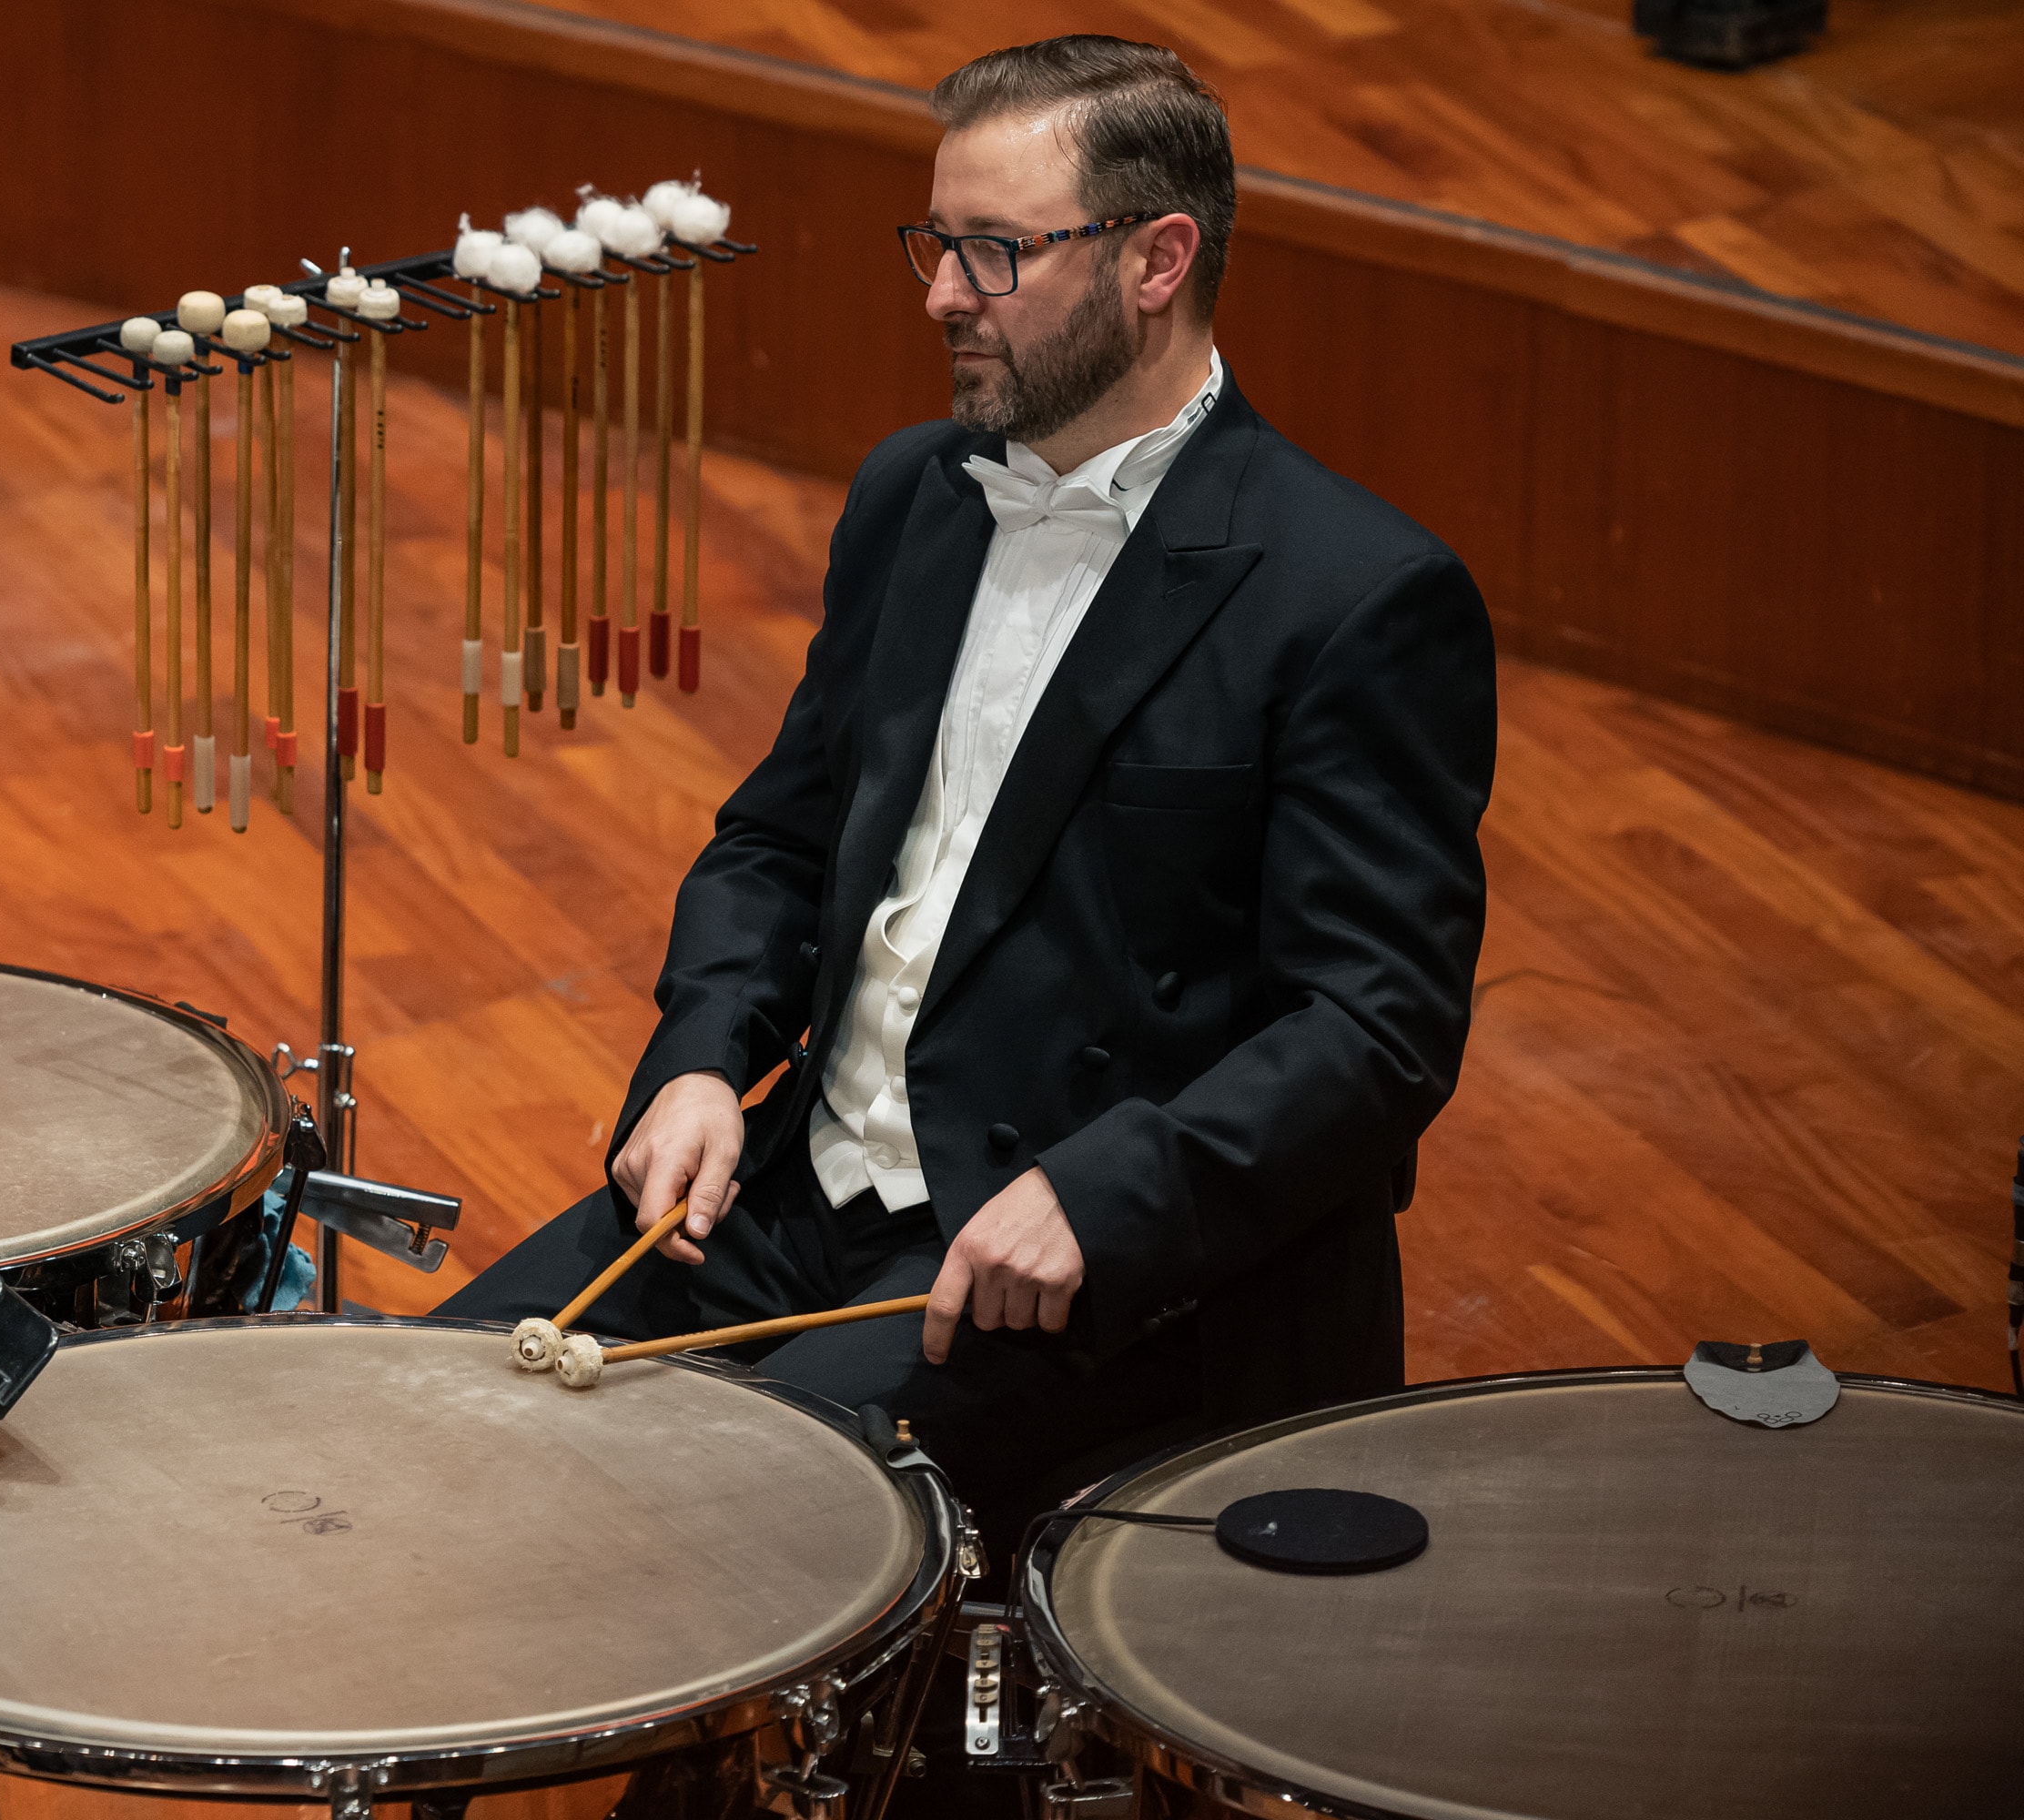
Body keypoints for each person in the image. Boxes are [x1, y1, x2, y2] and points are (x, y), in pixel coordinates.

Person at [442, 35, 1496, 1555]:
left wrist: (1110, 1196)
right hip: (797, 1193)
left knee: (704, 1532)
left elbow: (1376, 1030)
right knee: (416, 1417)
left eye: (994, 252)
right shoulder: (916, 495)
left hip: (1077, 1257)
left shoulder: (1357, 595)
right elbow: (778, 837)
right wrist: (694, 1062)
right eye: (935, 242)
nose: (942, 292)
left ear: (1158, 259)